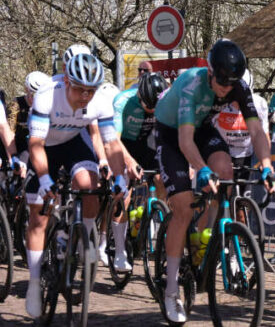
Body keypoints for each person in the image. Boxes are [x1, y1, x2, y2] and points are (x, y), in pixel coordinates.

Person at [153, 39, 275, 323]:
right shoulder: (191, 84)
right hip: (172, 133)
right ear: (210, 72)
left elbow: (257, 132)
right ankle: (171, 289)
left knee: (225, 169)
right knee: (183, 207)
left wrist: (267, 167)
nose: (225, 89)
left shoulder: (238, 87)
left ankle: (204, 235)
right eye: (221, 82)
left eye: (230, 84)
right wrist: (200, 169)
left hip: (201, 126)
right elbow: (185, 143)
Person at [24, 53, 128, 318]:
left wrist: (118, 177)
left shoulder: (100, 102)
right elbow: (35, 145)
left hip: (72, 143)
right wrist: (45, 179)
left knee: (89, 185)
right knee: (39, 217)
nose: (85, 96)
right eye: (81, 89)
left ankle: (85, 240)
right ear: (67, 81)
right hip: (45, 145)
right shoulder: (47, 95)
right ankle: (35, 284)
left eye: (90, 90)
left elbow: (111, 143)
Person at [108, 73, 168, 267]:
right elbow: (114, 139)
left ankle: (161, 224)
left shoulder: (167, 100)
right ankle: (119, 252)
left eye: (155, 107)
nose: (152, 111)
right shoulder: (123, 101)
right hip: (125, 144)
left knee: (162, 179)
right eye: (149, 107)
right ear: (140, 97)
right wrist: (128, 161)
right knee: (124, 192)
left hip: (148, 145)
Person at [7, 72, 51, 164]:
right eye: (32, 95)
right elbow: (9, 133)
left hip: (34, 143)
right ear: (26, 90)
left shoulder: (47, 106)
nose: (35, 99)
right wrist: (12, 157)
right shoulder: (16, 104)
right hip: (15, 141)